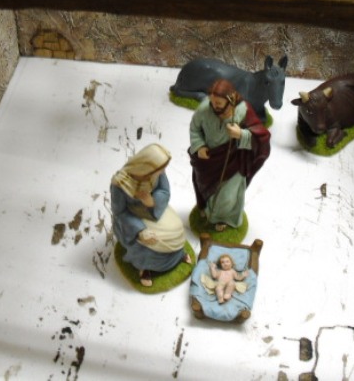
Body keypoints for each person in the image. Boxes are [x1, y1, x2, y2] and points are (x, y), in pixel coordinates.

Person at [189, 79, 271, 232]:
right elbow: (195, 129)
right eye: (212, 101)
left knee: (227, 197)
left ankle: (223, 218)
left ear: (230, 99)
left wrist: (241, 134)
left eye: (218, 103)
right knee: (203, 187)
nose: (214, 106)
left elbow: (262, 137)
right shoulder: (204, 109)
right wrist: (199, 146)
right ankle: (206, 209)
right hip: (209, 160)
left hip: (233, 161)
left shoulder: (243, 111)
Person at [111, 143, 190, 287]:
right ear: (147, 166)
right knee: (153, 239)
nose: (163, 171)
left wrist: (152, 201)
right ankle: (145, 267)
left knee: (176, 228)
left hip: (154, 209)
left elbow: (165, 190)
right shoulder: (120, 183)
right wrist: (140, 231)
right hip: (133, 219)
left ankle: (177, 256)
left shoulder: (157, 172)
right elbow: (119, 212)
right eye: (161, 168)